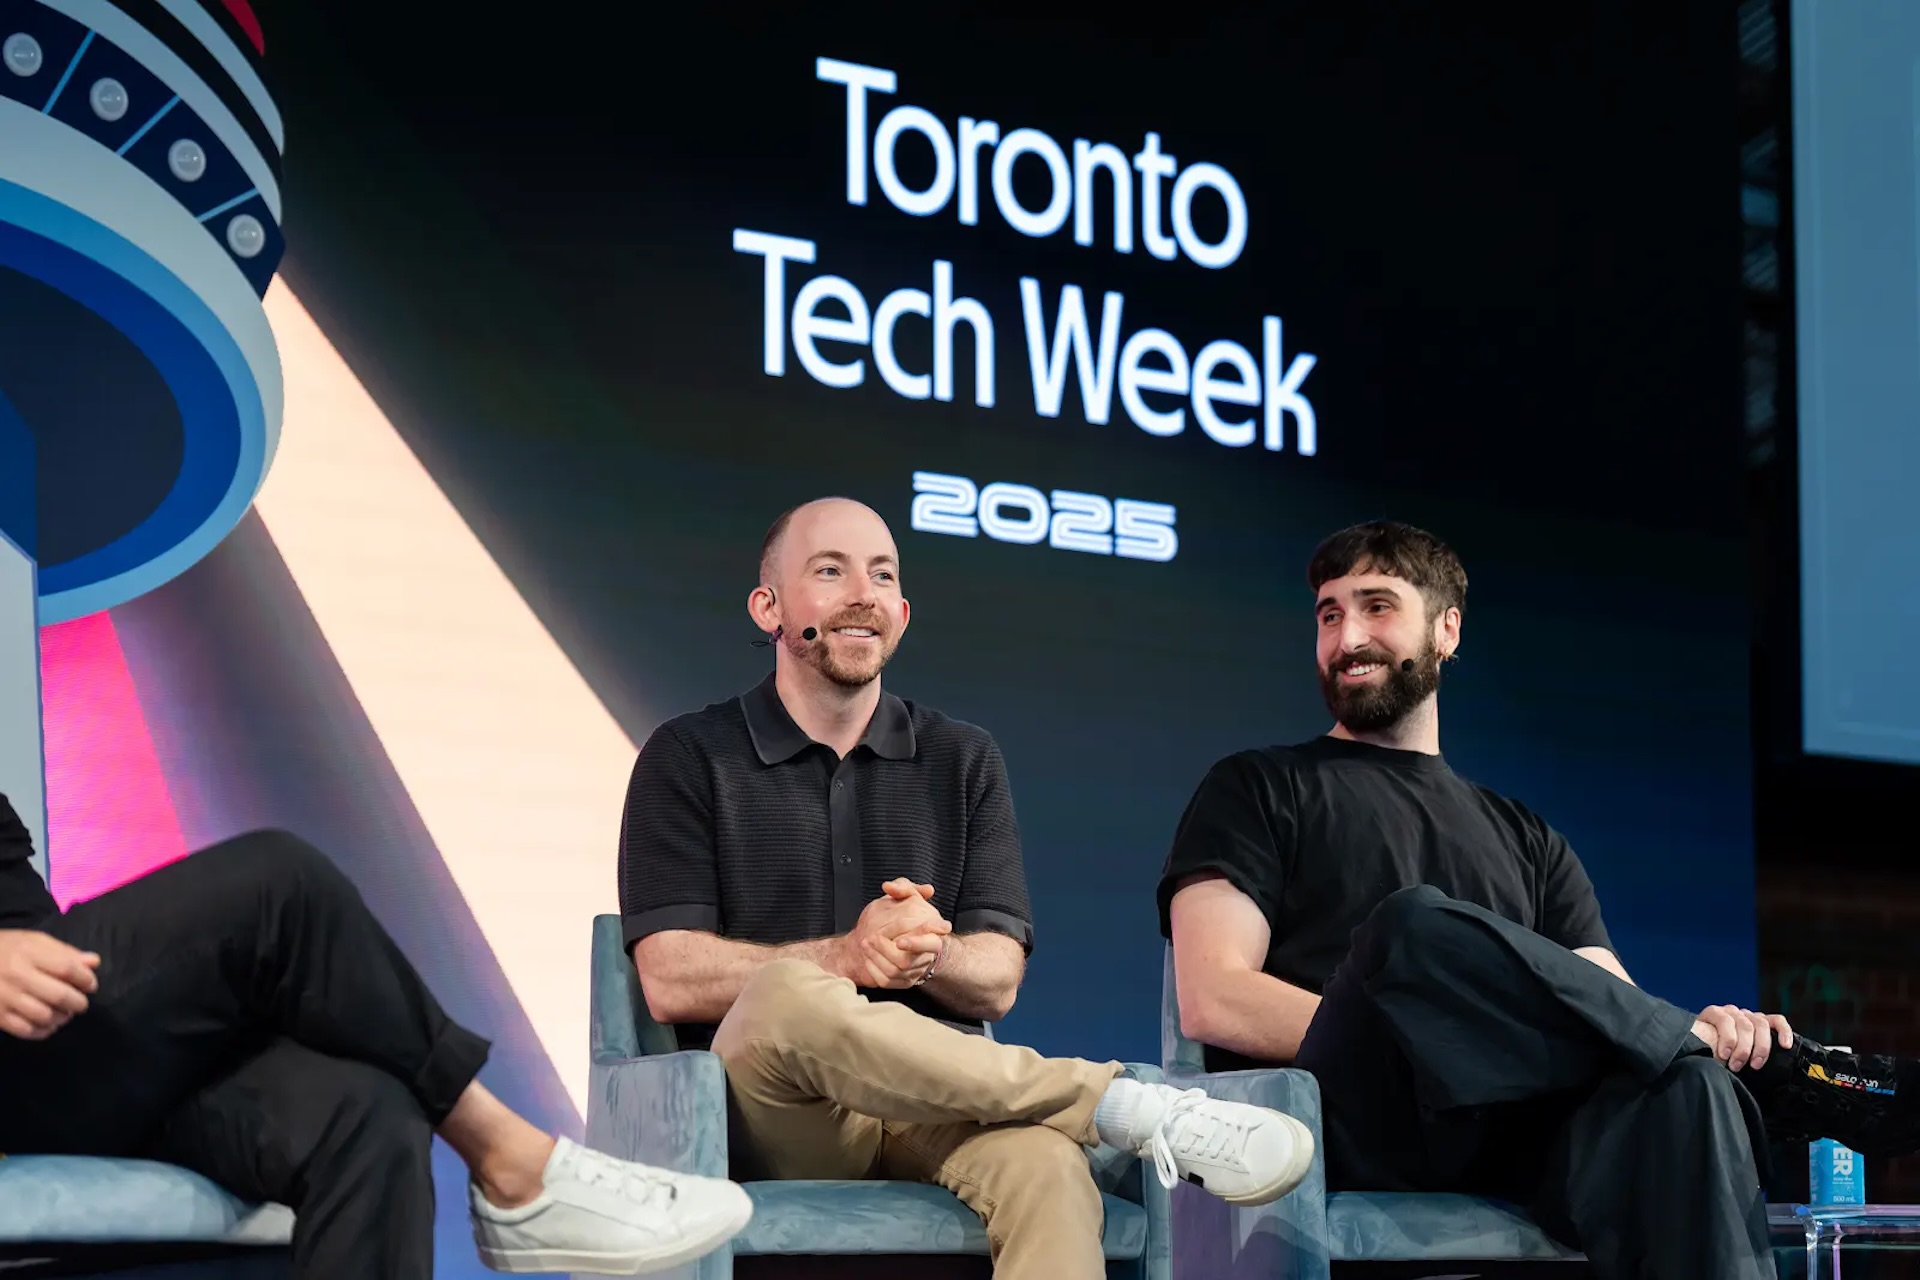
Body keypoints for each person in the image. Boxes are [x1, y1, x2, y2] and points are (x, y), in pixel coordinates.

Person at [1158, 519, 1920, 1280]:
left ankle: (1719, 1066)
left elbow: (1610, 1007)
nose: (1347, 637)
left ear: (1447, 630)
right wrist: (1428, 1035)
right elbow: (1214, 999)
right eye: (1330, 614)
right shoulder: (1258, 785)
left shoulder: (1526, 835)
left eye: (1377, 606)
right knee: (1410, 928)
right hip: (1354, 1113)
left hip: (1515, 1131)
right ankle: (1766, 1075)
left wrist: (1693, 1046)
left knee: (1685, 1085)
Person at [618, 496, 1315, 1280]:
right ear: (768, 607)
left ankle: (1113, 1111)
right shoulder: (689, 754)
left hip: (933, 1103)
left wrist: (927, 951)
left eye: (883, 576)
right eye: (831, 571)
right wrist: (848, 956)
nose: (864, 594)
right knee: (786, 993)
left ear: (903, 615)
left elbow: (997, 978)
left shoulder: (961, 756)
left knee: (1051, 1171)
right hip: (774, 1110)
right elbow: (668, 976)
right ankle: (1116, 1102)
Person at [0, 798, 752, 1277]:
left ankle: (516, 1172)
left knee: (370, 1112)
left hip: (56, 1045)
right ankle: (512, 1162)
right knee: (278, 884)